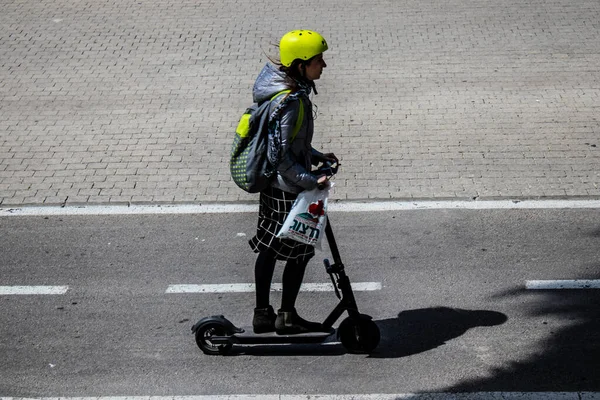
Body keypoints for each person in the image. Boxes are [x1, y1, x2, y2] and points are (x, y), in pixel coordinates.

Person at [248, 30, 338, 335]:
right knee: (299, 250)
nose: (323, 65)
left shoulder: (288, 90)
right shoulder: (291, 101)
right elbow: (281, 156)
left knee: (271, 247)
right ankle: (285, 317)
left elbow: (290, 143)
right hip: (287, 188)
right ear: (301, 65)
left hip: (278, 186)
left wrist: (315, 154)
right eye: (318, 60)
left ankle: (264, 314)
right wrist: (312, 179)